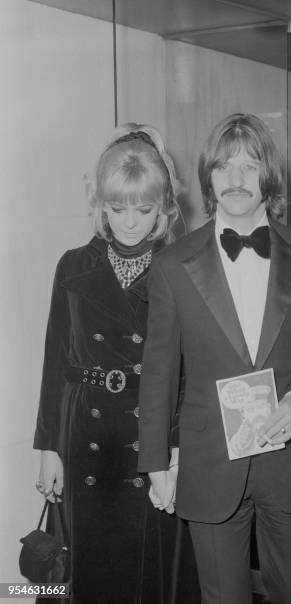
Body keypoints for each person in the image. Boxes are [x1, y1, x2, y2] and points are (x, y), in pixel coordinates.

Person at [137, 113, 291, 604]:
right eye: (224, 167)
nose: (236, 179)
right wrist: (156, 462)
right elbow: (159, 369)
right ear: (208, 177)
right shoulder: (171, 266)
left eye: (249, 167)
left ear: (267, 177)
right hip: (209, 464)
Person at [33, 124, 198, 603]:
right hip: (85, 434)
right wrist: (48, 447)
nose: (130, 221)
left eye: (144, 209)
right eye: (117, 207)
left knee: (147, 572)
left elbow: (190, 372)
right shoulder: (72, 265)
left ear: (165, 206)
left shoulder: (182, 268)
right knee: (87, 572)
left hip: (151, 438)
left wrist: (176, 447)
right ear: (100, 204)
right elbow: (55, 359)